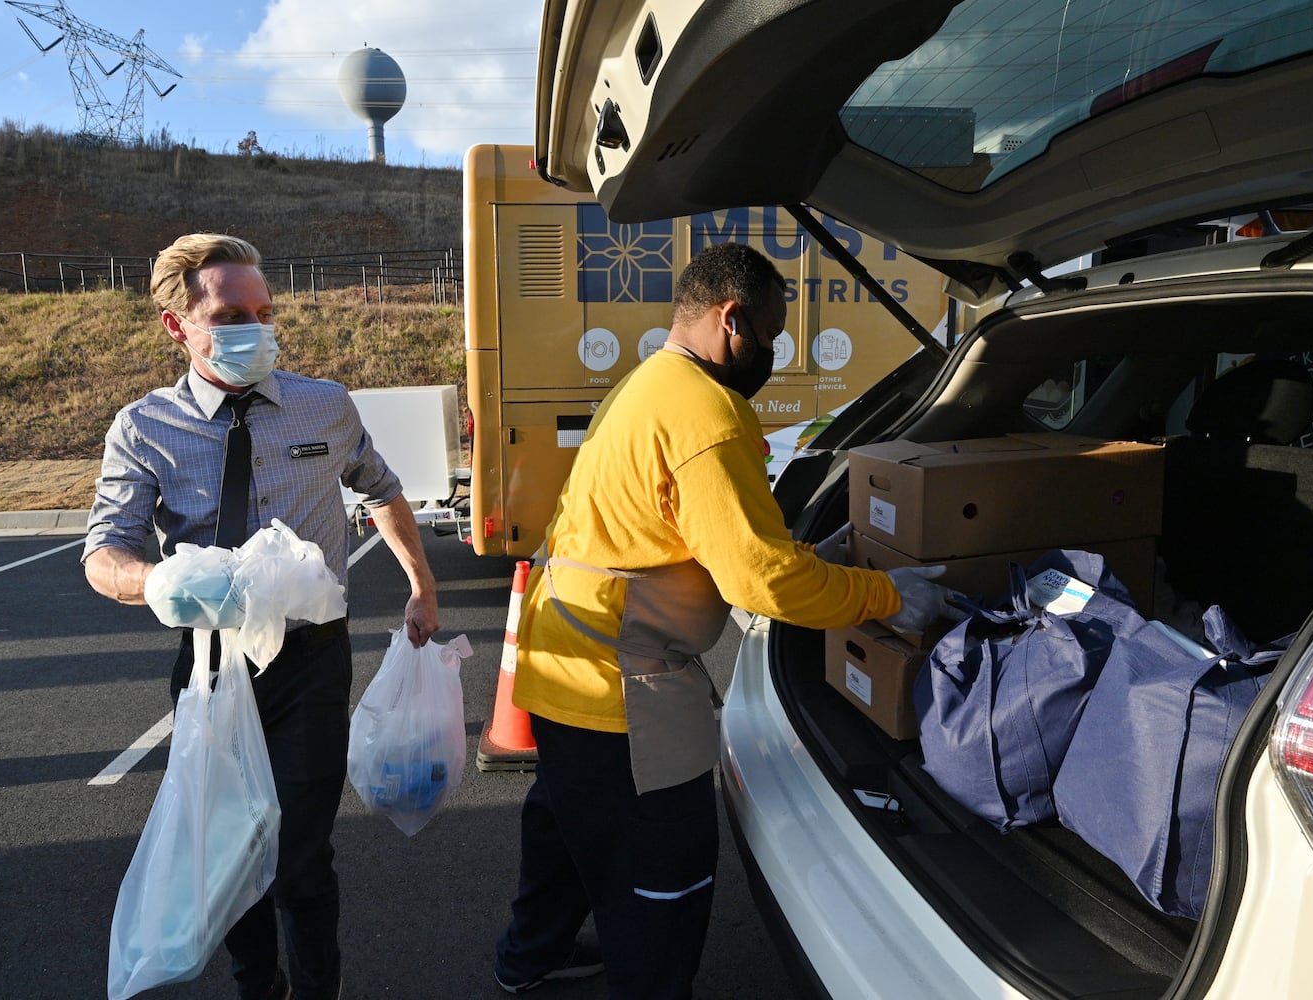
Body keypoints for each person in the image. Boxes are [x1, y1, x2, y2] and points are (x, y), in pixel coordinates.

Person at [493, 242, 953, 998]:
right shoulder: (710, 412)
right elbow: (760, 580)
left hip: (564, 672)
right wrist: (891, 596)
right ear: (731, 318)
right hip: (626, 696)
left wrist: (809, 555)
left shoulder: (647, 384)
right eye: (769, 334)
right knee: (662, 879)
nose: (771, 351)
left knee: (566, 834)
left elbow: (685, 531)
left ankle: (527, 960)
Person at [83, 232, 439, 1000]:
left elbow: (381, 489)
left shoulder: (324, 404)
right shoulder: (145, 428)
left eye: (265, 311)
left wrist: (421, 583)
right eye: (232, 314)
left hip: (312, 656)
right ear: (179, 326)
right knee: (228, 844)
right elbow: (103, 553)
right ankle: (257, 985)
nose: (257, 327)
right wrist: (157, 583)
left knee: (301, 855)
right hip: (212, 661)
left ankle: (317, 988)